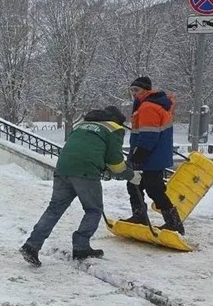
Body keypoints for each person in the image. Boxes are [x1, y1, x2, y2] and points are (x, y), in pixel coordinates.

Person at [20, 106, 137, 266]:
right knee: (93, 210)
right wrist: (132, 175)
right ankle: (81, 247)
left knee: (54, 209)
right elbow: (115, 163)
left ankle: (31, 245)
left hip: (63, 169)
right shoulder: (114, 129)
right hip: (86, 172)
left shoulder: (81, 125)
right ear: (117, 120)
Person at [122, 76, 183, 233]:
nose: (134, 93)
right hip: (155, 154)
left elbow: (149, 135)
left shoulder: (148, 107)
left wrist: (138, 156)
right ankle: (141, 216)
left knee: (153, 188)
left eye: (137, 90)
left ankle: (173, 222)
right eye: (132, 90)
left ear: (146, 90)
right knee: (135, 184)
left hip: (150, 156)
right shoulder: (153, 104)